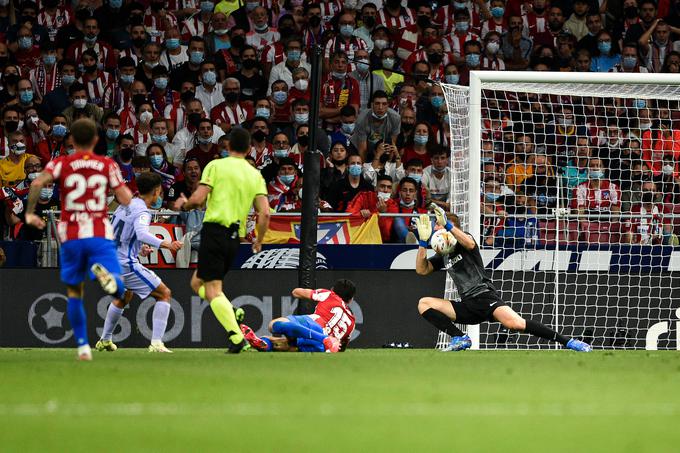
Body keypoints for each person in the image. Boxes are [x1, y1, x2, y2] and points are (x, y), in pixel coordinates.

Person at [24, 119, 133, 361]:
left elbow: (37, 183)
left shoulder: (62, 163)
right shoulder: (107, 164)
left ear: (71, 140)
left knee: (75, 292)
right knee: (119, 288)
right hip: (99, 233)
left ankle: (83, 348)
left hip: (71, 234)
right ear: (96, 140)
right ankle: (108, 279)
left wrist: (30, 213)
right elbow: (125, 198)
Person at [413, 204, 592, 352]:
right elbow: (422, 270)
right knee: (424, 303)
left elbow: (469, 242)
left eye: (438, 224)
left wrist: (448, 226)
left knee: (516, 324)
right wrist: (422, 242)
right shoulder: (444, 255)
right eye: (437, 224)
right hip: (467, 305)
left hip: (485, 297)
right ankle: (459, 337)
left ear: (451, 226)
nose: (435, 227)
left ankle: (569, 342)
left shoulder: (465, 242)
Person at [173, 127, 270, 353]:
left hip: (215, 231)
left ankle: (236, 337)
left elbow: (198, 199)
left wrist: (183, 204)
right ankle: (231, 309)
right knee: (198, 283)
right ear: (249, 149)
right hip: (235, 237)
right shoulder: (254, 174)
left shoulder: (216, 165)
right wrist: (259, 239)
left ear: (228, 146)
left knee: (212, 289)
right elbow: (264, 212)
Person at [96, 172, 183, 353]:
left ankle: (105, 340)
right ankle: (157, 343)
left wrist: (139, 248)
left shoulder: (126, 204)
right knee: (164, 293)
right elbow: (142, 233)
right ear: (157, 191)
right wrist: (167, 244)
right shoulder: (142, 210)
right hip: (125, 263)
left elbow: (120, 232)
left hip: (111, 258)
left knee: (124, 297)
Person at [240, 280, 356, 353]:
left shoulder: (329, 294)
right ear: (350, 300)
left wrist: (314, 295)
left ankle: (324, 338)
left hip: (315, 325)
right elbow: (342, 347)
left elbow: (296, 292)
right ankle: (264, 344)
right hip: (320, 348)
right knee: (288, 345)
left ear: (333, 290)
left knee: (274, 325)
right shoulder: (352, 321)